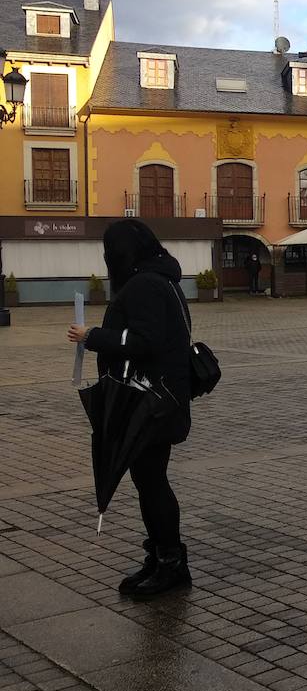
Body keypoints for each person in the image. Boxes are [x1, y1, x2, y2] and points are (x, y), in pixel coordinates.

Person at [66, 220, 193, 598]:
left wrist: (93, 337)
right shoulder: (160, 279)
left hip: (151, 404)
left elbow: (145, 341)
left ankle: (171, 563)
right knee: (148, 481)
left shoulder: (144, 285)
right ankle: (160, 556)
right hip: (158, 401)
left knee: (152, 483)